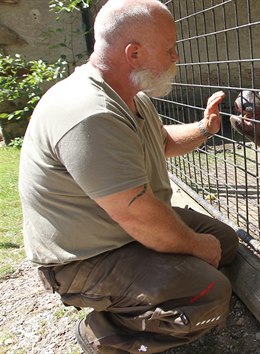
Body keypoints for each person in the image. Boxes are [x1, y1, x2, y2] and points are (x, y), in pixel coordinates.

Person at [18, 0, 239, 352]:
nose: (176, 57)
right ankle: (106, 333)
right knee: (210, 293)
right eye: (170, 49)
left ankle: (154, 294)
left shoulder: (130, 97)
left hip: (117, 228)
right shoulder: (88, 113)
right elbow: (137, 212)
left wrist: (203, 128)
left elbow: (162, 142)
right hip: (86, 256)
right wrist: (196, 247)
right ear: (134, 54)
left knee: (224, 243)